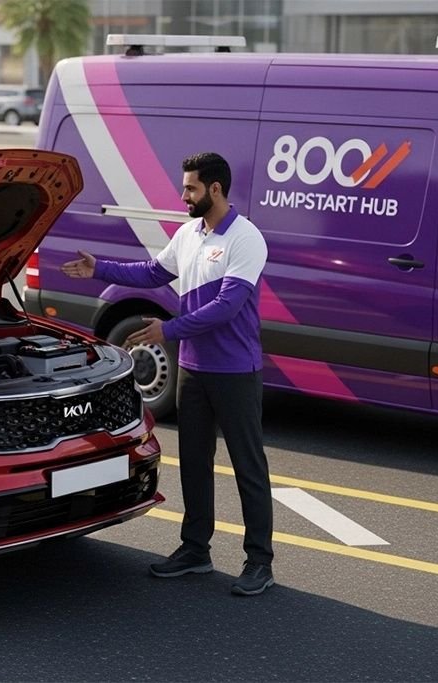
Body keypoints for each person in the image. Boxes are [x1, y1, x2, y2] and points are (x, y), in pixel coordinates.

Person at [61, 152, 275, 596]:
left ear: (215, 190)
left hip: (235, 371)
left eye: (191, 189)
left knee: (247, 467)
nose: (183, 196)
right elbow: (154, 272)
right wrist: (98, 267)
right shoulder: (190, 233)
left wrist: (168, 330)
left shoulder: (246, 238)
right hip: (194, 370)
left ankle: (260, 562)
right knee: (194, 465)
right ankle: (196, 550)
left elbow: (227, 307)